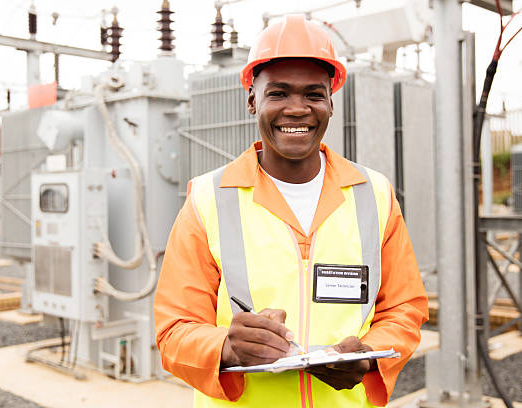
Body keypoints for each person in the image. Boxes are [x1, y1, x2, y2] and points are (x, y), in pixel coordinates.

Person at [154, 14, 428, 408]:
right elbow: (173, 330)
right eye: (278, 93)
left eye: (313, 94)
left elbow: (404, 309)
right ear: (253, 101)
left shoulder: (375, 195)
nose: (297, 109)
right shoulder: (207, 200)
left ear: (331, 103)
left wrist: (367, 356)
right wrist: (226, 347)